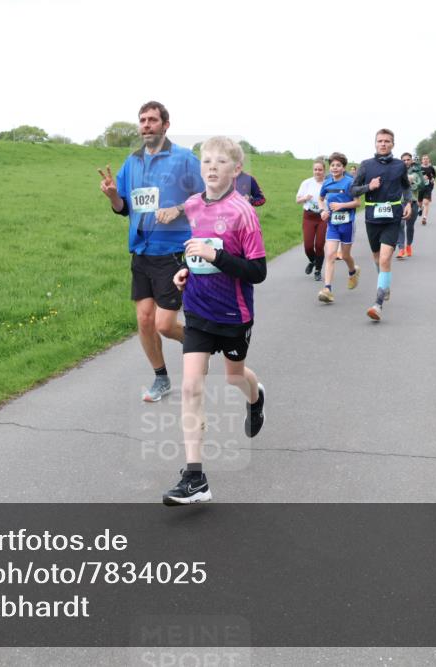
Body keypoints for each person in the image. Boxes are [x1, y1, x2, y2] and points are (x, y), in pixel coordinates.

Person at [163, 137, 267, 506]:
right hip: (197, 311)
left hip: (234, 314)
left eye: (221, 161)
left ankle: (256, 399)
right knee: (191, 387)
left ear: (236, 170)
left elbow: (257, 271)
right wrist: (184, 270)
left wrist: (215, 256)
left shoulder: (244, 212)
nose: (211, 167)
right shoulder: (192, 205)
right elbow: (196, 250)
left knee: (234, 376)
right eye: (206, 160)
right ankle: (195, 477)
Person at [98, 101, 204, 402]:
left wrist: (178, 208)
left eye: (152, 120)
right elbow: (122, 208)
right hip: (141, 250)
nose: (146, 125)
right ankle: (161, 379)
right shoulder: (131, 162)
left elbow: (204, 197)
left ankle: (201, 343)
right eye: (142, 120)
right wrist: (112, 195)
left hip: (171, 250)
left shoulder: (184, 159)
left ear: (165, 125)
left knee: (165, 324)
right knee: (144, 320)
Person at [351, 129, 412, 322]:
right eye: (380, 141)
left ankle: (377, 304)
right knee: (377, 258)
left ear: (393, 144)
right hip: (372, 219)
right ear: (375, 143)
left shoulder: (399, 165)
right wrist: (369, 187)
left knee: (385, 259)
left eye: (387, 141)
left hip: (393, 218)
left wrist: (408, 202)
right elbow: (352, 189)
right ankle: (384, 285)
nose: (383, 144)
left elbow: (405, 186)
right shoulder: (366, 165)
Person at [317, 152, 360, 303]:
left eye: (338, 165)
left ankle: (353, 271)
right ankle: (327, 289)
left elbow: (357, 202)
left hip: (347, 223)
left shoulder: (350, 182)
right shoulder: (327, 183)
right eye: (333, 165)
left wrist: (341, 205)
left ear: (343, 167)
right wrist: (323, 210)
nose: (335, 168)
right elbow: (321, 199)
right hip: (333, 225)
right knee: (330, 255)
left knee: (346, 255)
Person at [296, 158, 328, 280]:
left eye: (320, 169)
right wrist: (305, 198)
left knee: (319, 245)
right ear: (313, 170)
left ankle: (318, 271)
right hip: (309, 216)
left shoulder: (328, 183)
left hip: (322, 217)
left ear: (324, 170)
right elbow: (297, 200)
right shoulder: (306, 183)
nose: (317, 172)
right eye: (315, 169)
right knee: (308, 246)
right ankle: (313, 260)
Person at [396, 153, 423, 259]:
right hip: (400, 202)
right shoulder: (397, 172)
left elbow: (422, 185)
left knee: (410, 226)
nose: (406, 162)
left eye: (408, 160)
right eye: (403, 160)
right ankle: (401, 249)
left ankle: (408, 246)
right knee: (400, 225)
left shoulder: (417, 171)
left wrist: (412, 183)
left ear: (411, 161)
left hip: (413, 202)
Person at [419, 154, 436, 224]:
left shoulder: (431, 168)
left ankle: (424, 218)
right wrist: (421, 178)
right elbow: (415, 176)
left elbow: (434, 175)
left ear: (429, 160)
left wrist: (432, 178)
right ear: (422, 160)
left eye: (426, 159)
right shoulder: (419, 168)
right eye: (424, 159)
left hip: (428, 187)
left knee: (426, 202)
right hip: (420, 187)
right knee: (419, 203)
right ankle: (421, 208)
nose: (425, 160)